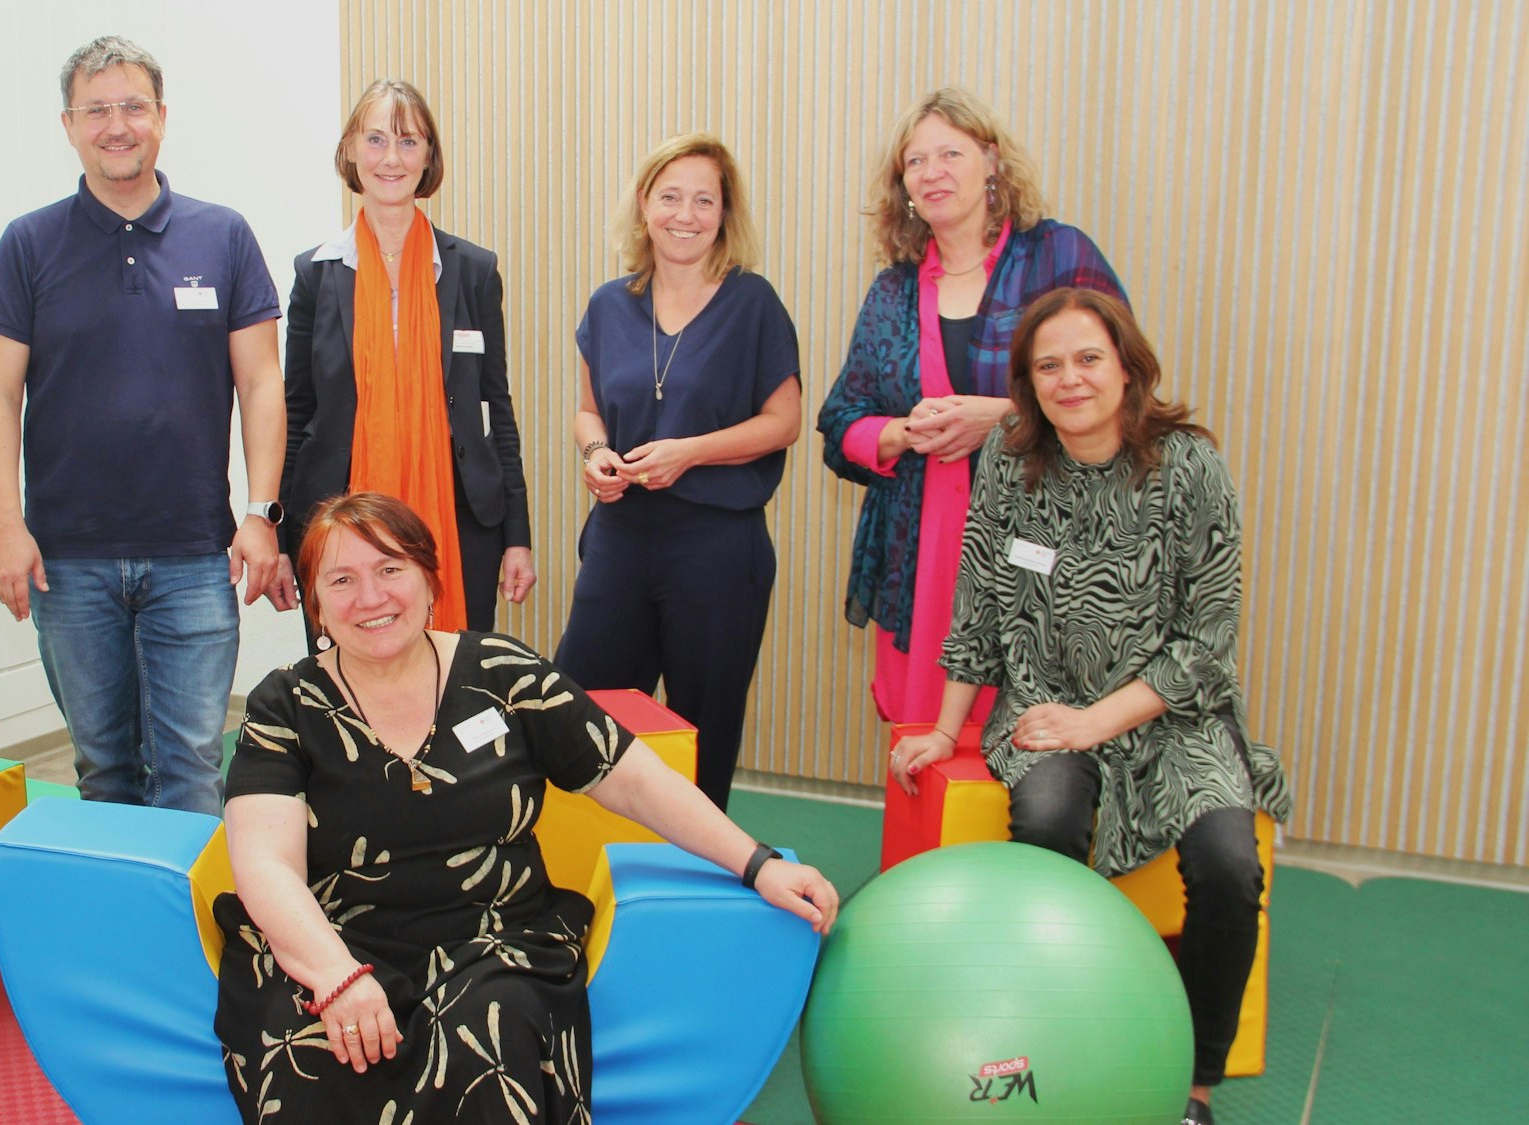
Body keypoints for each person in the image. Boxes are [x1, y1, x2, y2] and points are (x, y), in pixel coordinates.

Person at [214, 492, 838, 1123]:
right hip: (333, 940)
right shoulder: (285, 704)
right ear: (316, 604)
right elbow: (266, 862)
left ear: (430, 580)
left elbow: (632, 779)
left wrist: (757, 863)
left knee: (489, 1033)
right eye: (342, 580)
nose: (370, 597)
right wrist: (337, 976)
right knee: (316, 1050)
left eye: (390, 569)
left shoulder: (503, 675)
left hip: (492, 941)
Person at [889, 289, 1291, 1125]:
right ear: (1028, 384)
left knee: (1229, 864)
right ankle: (1050, 1044)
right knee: (1046, 824)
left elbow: (1207, 641)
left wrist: (1097, 721)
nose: (1069, 379)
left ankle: (1194, 1082)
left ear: (1127, 367)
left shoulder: (1191, 466)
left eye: (1087, 359)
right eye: (1049, 366)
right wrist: (944, 728)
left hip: (1173, 713)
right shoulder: (1010, 459)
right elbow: (980, 602)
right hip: (1045, 700)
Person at [0, 36, 288, 816]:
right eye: (97, 110)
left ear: (162, 117)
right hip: (68, 560)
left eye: (133, 106)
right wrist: (7, 526)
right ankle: (119, 898)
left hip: (194, 555)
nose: (117, 125)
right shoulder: (27, 245)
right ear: (69, 125)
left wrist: (260, 513)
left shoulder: (223, 236)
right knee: (104, 771)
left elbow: (261, 382)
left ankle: (185, 900)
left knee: (191, 768)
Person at [816, 87, 1126, 729]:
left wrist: (1005, 417)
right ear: (903, 185)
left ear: (991, 161)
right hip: (919, 552)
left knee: (1038, 742)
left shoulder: (1057, 256)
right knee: (925, 741)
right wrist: (903, 431)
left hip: (1046, 541)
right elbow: (841, 419)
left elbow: (1120, 383)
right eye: (916, 161)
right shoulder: (894, 289)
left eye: (950, 154)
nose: (933, 172)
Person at [552, 133, 801, 811]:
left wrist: (689, 452)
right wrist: (595, 453)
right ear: (644, 204)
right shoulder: (609, 304)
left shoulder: (752, 303)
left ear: (725, 213)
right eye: (670, 197)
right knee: (581, 707)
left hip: (718, 546)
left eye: (703, 200)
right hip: (621, 536)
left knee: (703, 728)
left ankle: (697, 860)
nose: (684, 215)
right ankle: (582, 855)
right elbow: (587, 411)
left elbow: (783, 422)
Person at [282, 79, 534, 638]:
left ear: (428, 156)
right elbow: (296, 416)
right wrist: (279, 541)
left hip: (461, 525)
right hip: (338, 526)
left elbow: (496, 410)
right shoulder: (315, 275)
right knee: (346, 676)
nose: (391, 158)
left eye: (408, 141)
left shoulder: (473, 271)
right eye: (375, 139)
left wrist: (517, 536)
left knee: (455, 672)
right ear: (350, 150)